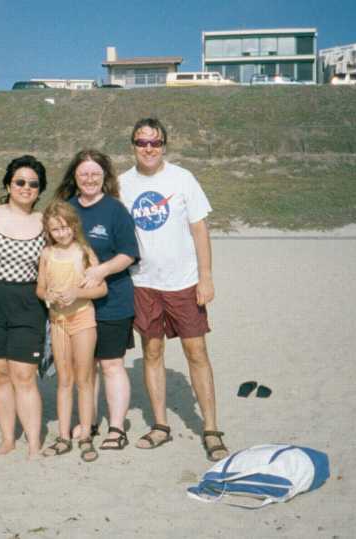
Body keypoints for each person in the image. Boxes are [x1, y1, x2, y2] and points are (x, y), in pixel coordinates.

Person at [118, 117, 229, 461]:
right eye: (141, 142)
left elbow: (199, 229)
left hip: (183, 282)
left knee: (197, 353)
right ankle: (161, 425)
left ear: (164, 145)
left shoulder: (182, 179)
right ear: (133, 145)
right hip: (143, 282)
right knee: (151, 353)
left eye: (155, 142)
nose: (148, 148)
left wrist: (206, 277)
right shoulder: (122, 184)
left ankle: (210, 429)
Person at [55, 150, 139, 450]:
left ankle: (116, 428)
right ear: (74, 177)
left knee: (112, 364)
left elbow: (128, 253)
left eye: (95, 174)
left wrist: (100, 270)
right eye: (83, 174)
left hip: (113, 301)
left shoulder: (115, 210)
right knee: (84, 367)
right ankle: (88, 420)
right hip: (75, 303)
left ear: (104, 177)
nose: (89, 179)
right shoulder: (66, 209)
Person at [0, 155, 47, 459]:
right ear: (7, 184)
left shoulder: (45, 222)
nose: (26, 188)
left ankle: (33, 443)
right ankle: (7, 439)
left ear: (40, 190)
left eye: (33, 183)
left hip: (29, 304)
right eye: (20, 182)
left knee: (24, 375)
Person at [36, 200, 107, 462]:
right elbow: (40, 289)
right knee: (64, 380)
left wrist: (77, 292)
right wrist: (50, 296)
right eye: (56, 229)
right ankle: (63, 436)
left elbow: (101, 289)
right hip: (58, 322)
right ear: (49, 231)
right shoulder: (47, 254)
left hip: (83, 318)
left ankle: (86, 435)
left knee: (84, 378)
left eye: (65, 227)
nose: (62, 233)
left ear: (73, 226)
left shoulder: (84, 251)